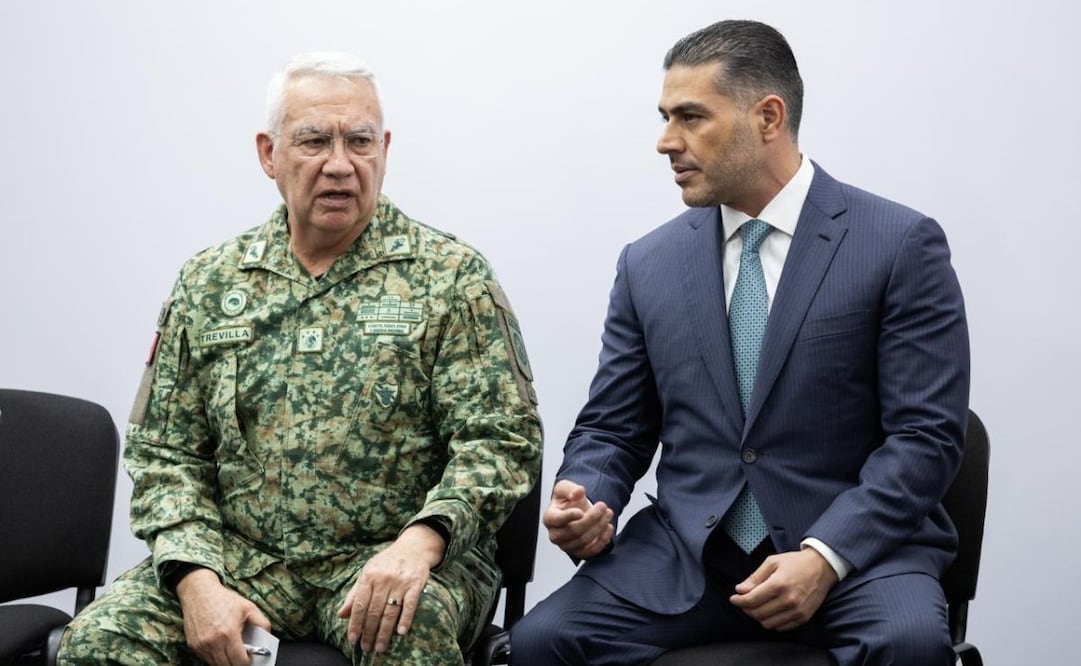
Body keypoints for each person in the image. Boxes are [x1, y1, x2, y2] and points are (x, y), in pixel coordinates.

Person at [58, 52, 542, 666]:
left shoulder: (450, 277)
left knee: (408, 627)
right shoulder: (210, 282)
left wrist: (423, 541)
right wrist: (195, 579)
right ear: (269, 154)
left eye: (359, 141)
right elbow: (164, 453)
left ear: (384, 149)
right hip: (239, 561)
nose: (340, 164)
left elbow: (501, 440)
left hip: (394, 557)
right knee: (100, 642)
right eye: (314, 141)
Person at [511, 19, 969, 666]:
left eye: (691, 117)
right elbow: (613, 428)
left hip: (857, 557)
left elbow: (925, 438)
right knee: (541, 643)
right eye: (665, 117)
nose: (665, 141)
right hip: (689, 554)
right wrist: (588, 494)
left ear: (768, 117)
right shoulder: (647, 264)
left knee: (910, 648)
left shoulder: (897, 246)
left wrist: (824, 557)